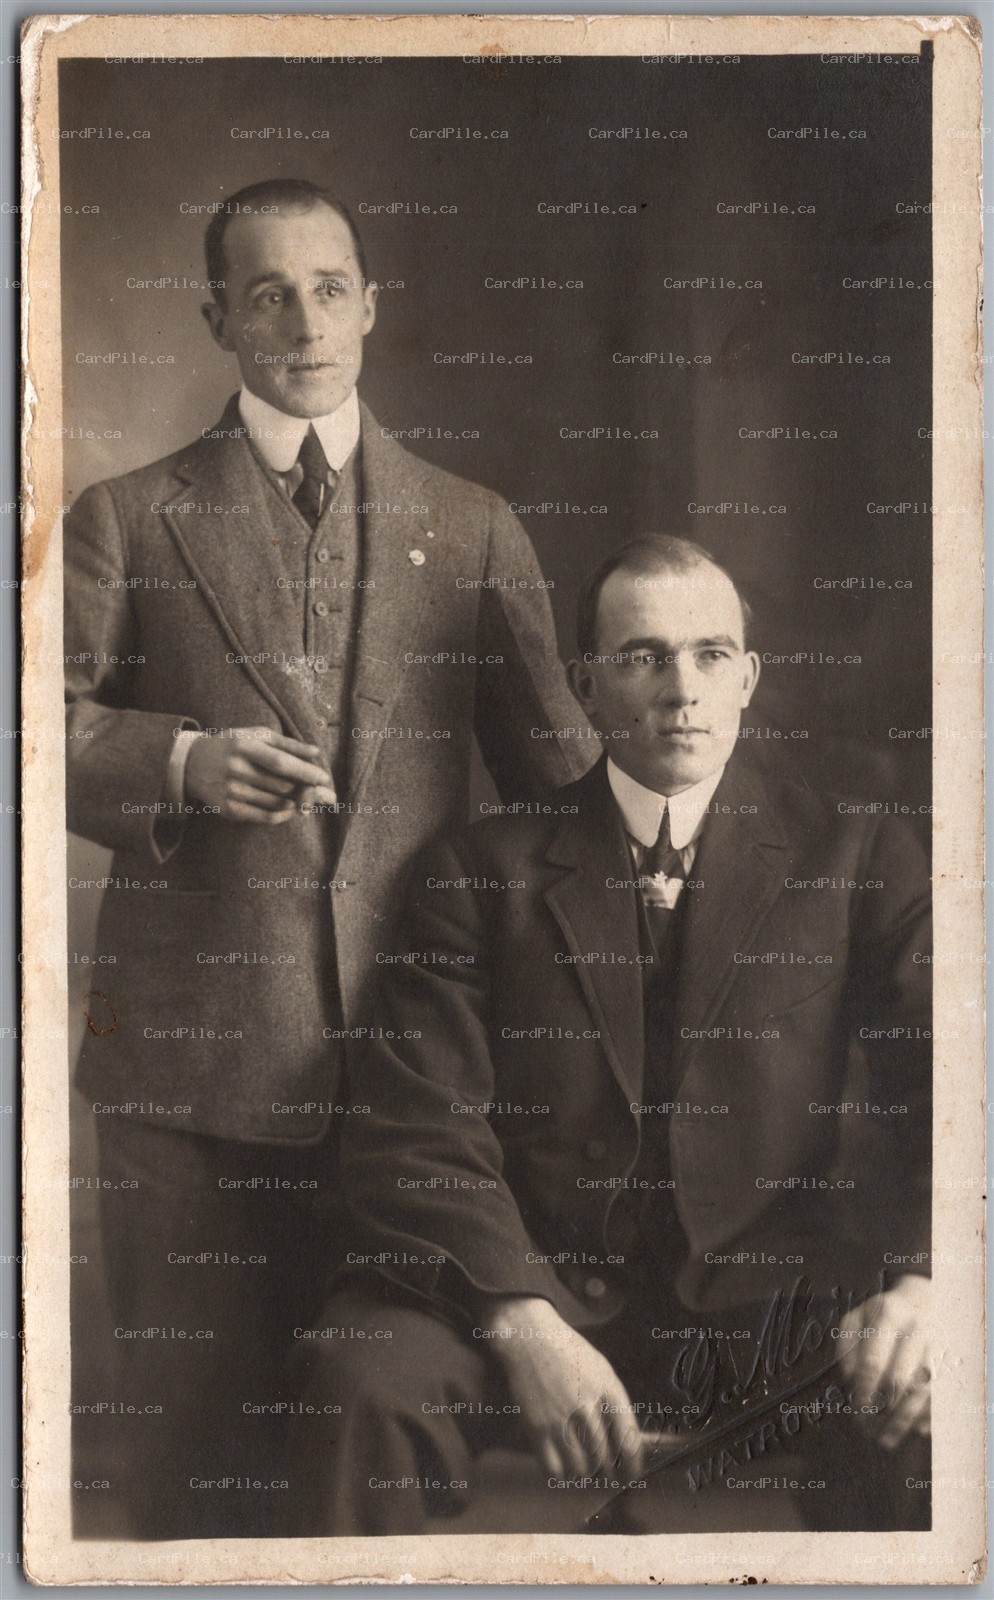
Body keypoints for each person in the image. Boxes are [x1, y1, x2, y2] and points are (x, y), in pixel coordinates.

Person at [64, 177, 590, 1537]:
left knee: (362, 1465)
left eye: (330, 286)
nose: (304, 319)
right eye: (267, 293)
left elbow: (564, 789)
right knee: (188, 1475)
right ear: (216, 319)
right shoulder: (125, 516)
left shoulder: (470, 524)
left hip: (418, 1091)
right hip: (190, 1086)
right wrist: (176, 759)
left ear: (372, 304)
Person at [298, 535, 932, 1535]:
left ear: (748, 680)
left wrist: (927, 1281)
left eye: (711, 655)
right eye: (642, 657)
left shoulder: (855, 854)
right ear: (586, 685)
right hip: (524, 1284)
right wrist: (520, 1318)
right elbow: (416, 1126)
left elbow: (952, 1087)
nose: (681, 689)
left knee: (934, 1382)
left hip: (767, 1305)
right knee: (358, 1376)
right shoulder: (478, 870)